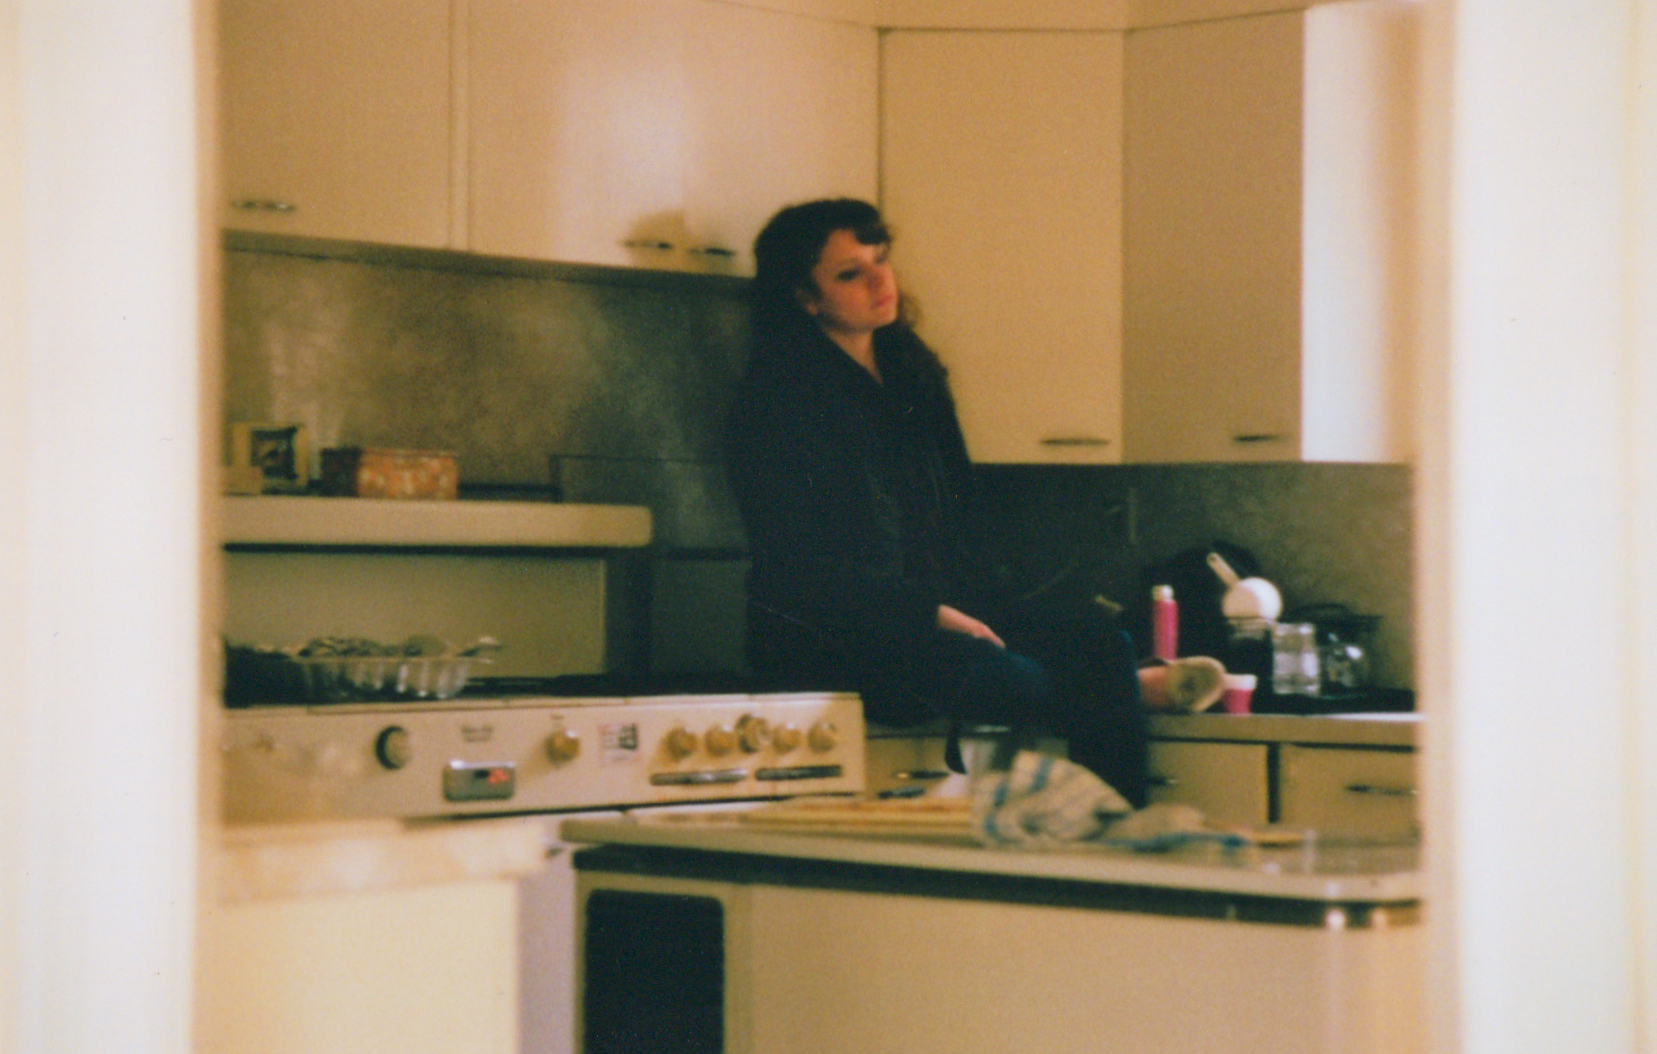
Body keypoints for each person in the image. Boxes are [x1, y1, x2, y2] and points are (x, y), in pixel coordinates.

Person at [726, 198, 1156, 806]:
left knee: (1102, 644)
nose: (881, 281)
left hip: (941, 613)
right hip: (841, 638)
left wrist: (983, 602)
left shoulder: (913, 375)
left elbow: (960, 511)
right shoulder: (776, 406)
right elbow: (799, 570)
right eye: (851, 273)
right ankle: (1127, 698)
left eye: (881, 261)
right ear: (805, 298)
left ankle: (1116, 850)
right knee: (1019, 681)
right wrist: (928, 611)